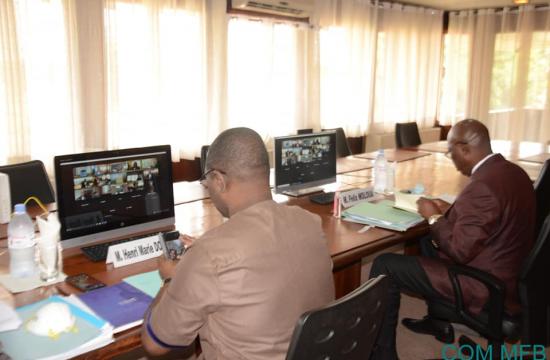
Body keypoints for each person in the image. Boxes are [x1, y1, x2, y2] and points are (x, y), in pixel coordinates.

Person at [141, 127, 335, 359]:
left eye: (207, 182)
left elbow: (155, 343)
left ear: (219, 181)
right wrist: (205, 253)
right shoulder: (310, 223)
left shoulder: (209, 255)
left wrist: (172, 278)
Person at [369, 119, 535, 359]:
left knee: (385, 264)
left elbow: (459, 250)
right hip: (508, 265)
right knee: (428, 240)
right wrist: (453, 210)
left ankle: (382, 354)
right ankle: (438, 321)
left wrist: (434, 216)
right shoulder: (512, 172)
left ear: (465, 149)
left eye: (451, 153)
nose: (452, 159)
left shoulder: (483, 187)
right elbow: (491, 216)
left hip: (485, 284)